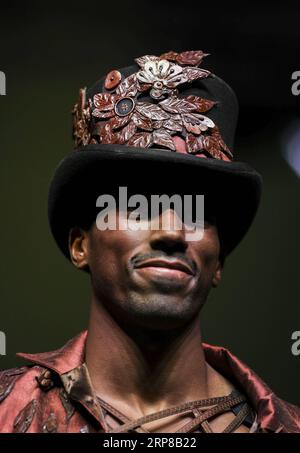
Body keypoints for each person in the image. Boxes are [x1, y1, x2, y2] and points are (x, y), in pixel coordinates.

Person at [0, 50, 299, 434]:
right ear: (81, 246)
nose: (172, 233)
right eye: (136, 206)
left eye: (195, 213)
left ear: (219, 261)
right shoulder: (9, 412)